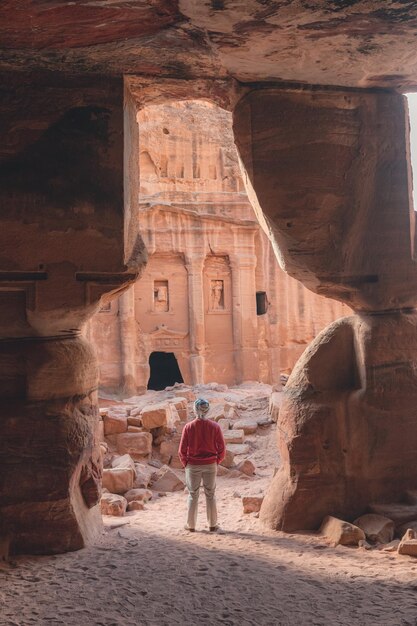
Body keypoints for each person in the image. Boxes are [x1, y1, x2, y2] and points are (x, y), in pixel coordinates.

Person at [179, 398, 226, 532]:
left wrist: (186, 464)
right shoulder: (215, 427)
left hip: (193, 465)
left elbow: (182, 450)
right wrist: (216, 461)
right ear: (208, 410)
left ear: (195, 410)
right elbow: (222, 448)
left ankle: (191, 525)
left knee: (193, 494)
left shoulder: (188, 427)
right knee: (210, 494)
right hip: (210, 464)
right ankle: (212, 524)